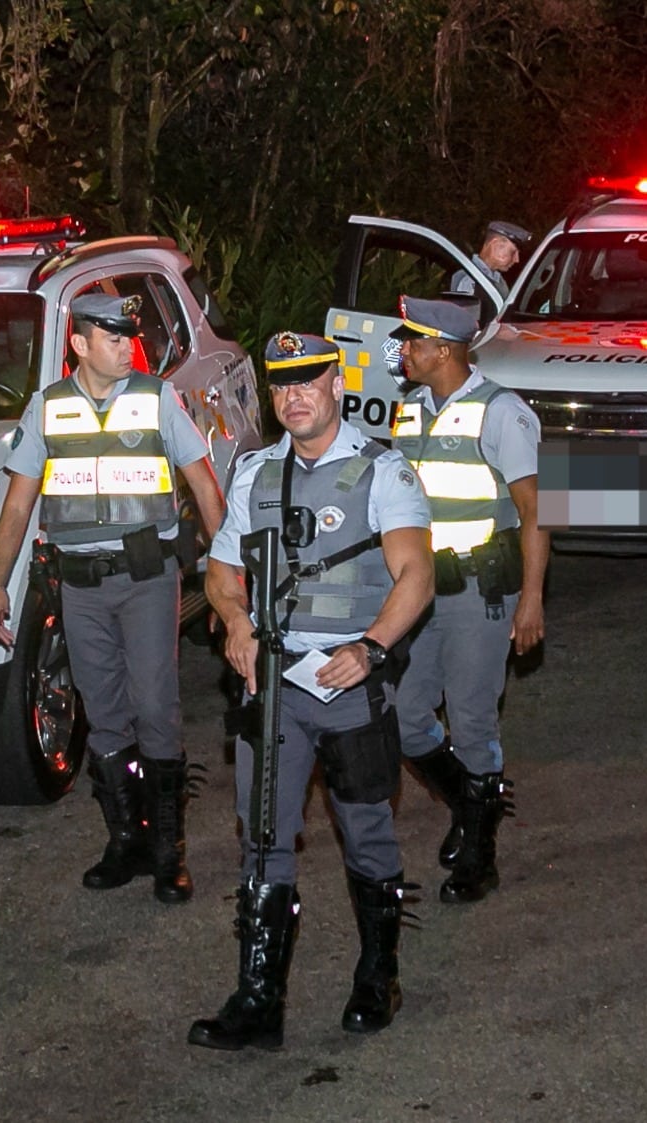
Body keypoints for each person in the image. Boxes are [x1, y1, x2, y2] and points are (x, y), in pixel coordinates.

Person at [188, 331, 433, 1051]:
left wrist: (372, 647)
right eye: (280, 385)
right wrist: (233, 617)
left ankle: (377, 971)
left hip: (350, 682)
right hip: (274, 685)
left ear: (335, 384)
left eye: (308, 381)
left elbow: (417, 573)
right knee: (263, 837)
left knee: (365, 829)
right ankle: (260, 999)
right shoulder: (256, 472)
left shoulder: (383, 470)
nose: (294, 396)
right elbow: (220, 568)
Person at [0, 292, 225, 904]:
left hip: (146, 581)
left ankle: (170, 854)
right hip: (81, 586)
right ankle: (127, 841)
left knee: (155, 708)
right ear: (80, 345)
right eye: (114, 339)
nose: (128, 348)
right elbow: (18, 503)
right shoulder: (48, 410)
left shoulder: (156, 399)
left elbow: (204, 483)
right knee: (105, 714)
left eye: (130, 337)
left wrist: (228, 580)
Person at [388, 294, 549, 904]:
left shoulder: (502, 414)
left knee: (474, 720)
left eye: (412, 342)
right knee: (405, 717)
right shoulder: (408, 411)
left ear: (444, 350)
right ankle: (471, 806)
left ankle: (478, 859)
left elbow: (539, 510)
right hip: (419, 594)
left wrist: (531, 600)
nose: (402, 352)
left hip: (480, 593)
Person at [450, 219, 533, 300]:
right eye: (513, 252)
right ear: (495, 245)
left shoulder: (499, 281)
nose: (516, 260)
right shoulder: (470, 279)